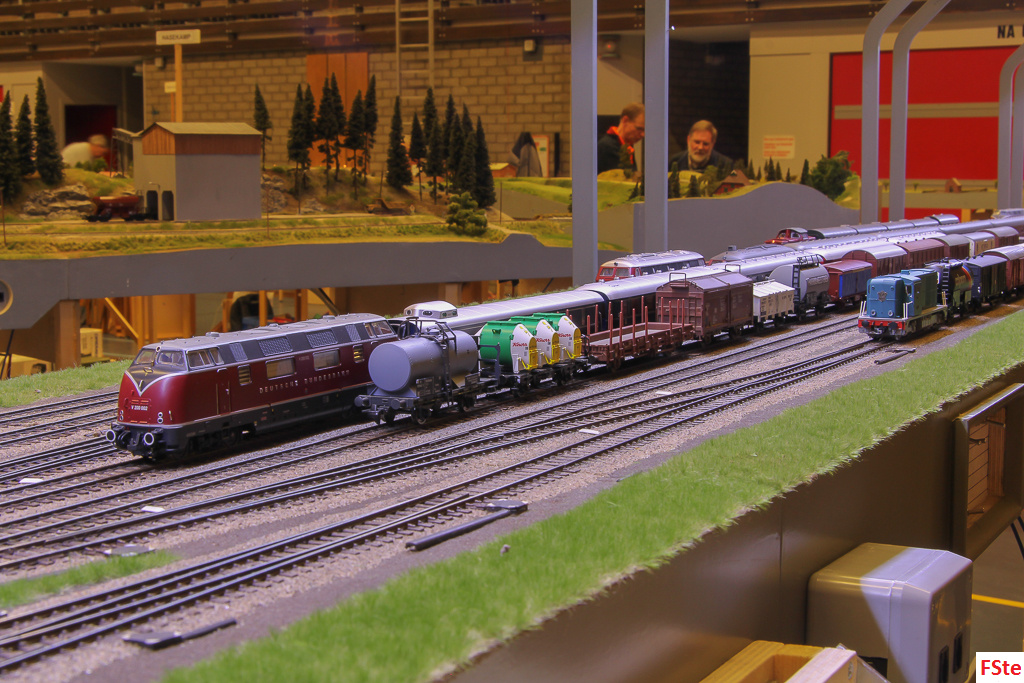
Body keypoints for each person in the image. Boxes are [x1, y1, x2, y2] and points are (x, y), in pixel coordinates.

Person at [597, 103, 645, 174]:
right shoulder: (607, 147)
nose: (643, 134)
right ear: (625, 120)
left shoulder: (626, 146)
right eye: (639, 129)